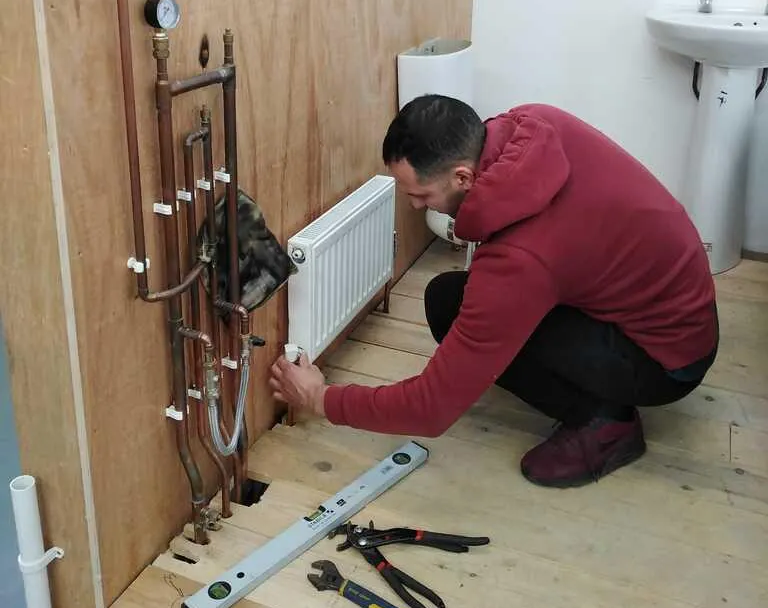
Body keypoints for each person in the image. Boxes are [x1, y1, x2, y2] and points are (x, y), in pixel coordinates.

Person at [270, 96, 718, 488]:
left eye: (421, 195)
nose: (414, 205)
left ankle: (608, 424)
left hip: (667, 360)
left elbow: (430, 409)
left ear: (463, 178)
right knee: (447, 299)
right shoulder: (533, 122)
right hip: (676, 302)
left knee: (459, 312)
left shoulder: (519, 261)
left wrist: (320, 399)